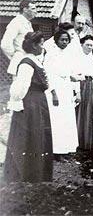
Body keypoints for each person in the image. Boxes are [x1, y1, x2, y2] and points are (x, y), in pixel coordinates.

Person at [3, 32, 56, 182]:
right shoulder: (26, 63)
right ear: (33, 45)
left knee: (38, 135)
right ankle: (24, 174)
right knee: (28, 137)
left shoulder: (36, 60)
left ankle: (36, 173)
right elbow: (19, 89)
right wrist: (18, 103)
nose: (43, 47)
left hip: (39, 102)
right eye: (40, 44)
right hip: (30, 104)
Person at [44, 29, 81, 154]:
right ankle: (54, 150)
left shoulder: (68, 54)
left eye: (67, 40)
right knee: (56, 119)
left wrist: (75, 87)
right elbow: (47, 74)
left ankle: (65, 149)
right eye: (62, 40)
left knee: (66, 119)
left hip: (66, 88)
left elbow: (70, 72)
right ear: (56, 40)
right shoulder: (51, 54)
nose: (65, 42)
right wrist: (53, 93)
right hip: (56, 88)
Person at [1, 0, 36, 77]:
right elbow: (5, 44)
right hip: (20, 61)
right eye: (33, 9)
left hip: (28, 61)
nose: (36, 11)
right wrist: (15, 56)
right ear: (25, 10)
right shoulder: (16, 22)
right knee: (19, 87)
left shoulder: (27, 23)